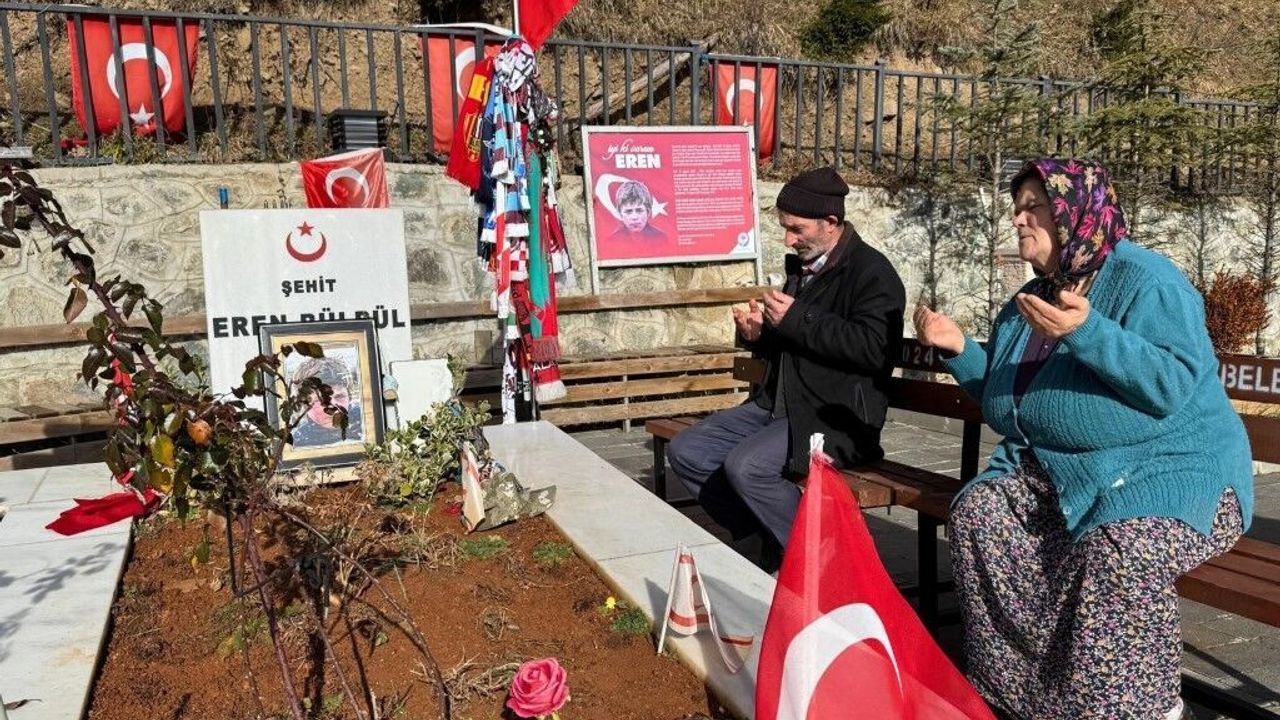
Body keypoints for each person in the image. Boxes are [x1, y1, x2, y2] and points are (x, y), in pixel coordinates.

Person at [913, 159, 1253, 720]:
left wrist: (1087, 331)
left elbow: (1170, 383)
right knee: (980, 513)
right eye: (1017, 207)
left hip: (1174, 473)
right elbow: (1011, 405)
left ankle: (1144, 709)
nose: (1019, 219)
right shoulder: (1032, 299)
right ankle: (1024, 697)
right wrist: (960, 349)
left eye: (1035, 206)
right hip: (1072, 475)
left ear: (1077, 212)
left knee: (1118, 548)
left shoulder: (1149, 281)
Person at [667, 166, 906, 571]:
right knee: (688, 451)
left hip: (837, 418)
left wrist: (798, 318)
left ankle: (823, 563)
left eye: (797, 229)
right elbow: (797, 344)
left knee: (748, 468)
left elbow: (874, 350)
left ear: (830, 221)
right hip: (779, 405)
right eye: (785, 228)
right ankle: (772, 536)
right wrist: (759, 336)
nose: (788, 239)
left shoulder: (872, 273)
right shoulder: (805, 268)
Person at [290, 355, 364, 447]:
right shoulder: (297, 443)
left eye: (339, 396)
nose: (333, 407)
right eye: (320, 399)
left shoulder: (366, 423)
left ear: (349, 398)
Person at [606, 180, 669, 252]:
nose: (634, 217)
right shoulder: (612, 242)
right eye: (628, 211)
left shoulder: (661, 238)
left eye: (639, 210)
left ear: (648, 211)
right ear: (620, 214)